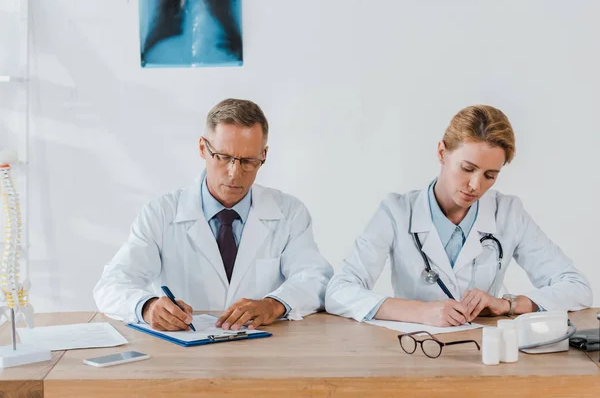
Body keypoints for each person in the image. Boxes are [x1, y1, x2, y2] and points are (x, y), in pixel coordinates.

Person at [326, 105, 592, 326]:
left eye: (490, 175)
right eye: (467, 168)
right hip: (415, 350)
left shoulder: (508, 213)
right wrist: (421, 312)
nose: (476, 186)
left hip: (484, 353)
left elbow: (577, 288)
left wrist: (506, 304)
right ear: (442, 153)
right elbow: (339, 291)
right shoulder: (397, 212)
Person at [94, 98, 332, 331]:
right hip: (185, 354)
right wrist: (146, 307)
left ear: (263, 156)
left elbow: (317, 279)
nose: (234, 173)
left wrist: (275, 304)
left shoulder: (289, 212)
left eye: (248, 161)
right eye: (223, 157)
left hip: (263, 353)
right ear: (202, 148)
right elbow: (111, 285)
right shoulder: (160, 213)